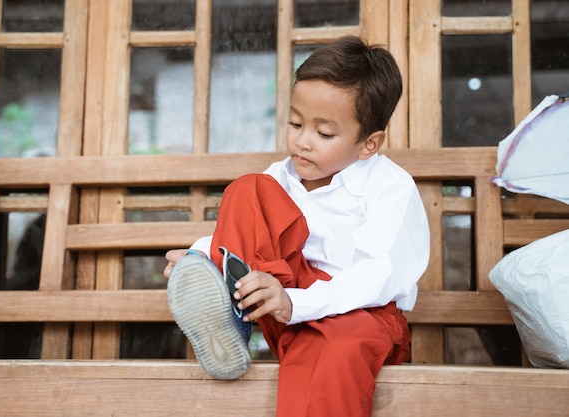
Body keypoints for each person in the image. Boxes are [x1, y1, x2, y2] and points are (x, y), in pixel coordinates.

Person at [164, 35, 430, 417]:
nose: (302, 141)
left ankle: (241, 300)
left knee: (337, 345)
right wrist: (199, 260)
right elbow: (253, 238)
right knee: (248, 188)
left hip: (363, 316)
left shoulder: (391, 187)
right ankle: (230, 308)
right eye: (295, 122)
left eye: (324, 133)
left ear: (369, 144)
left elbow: (378, 276)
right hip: (278, 302)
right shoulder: (279, 179)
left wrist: (296, 303)